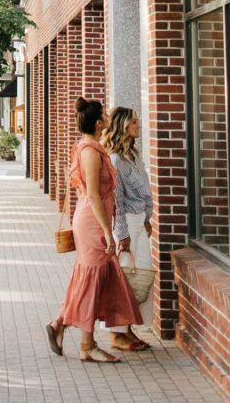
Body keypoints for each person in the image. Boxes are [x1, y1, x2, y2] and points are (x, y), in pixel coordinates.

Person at [45, 97, 142, 363]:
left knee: (91, 278)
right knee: (91, 278)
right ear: (99, 123)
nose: (109, 118)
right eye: (105, 115)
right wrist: (107, 231)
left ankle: (59, 324)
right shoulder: (89, 151)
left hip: (95, 219)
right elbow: (93, 195)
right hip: (92, 222)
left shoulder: (95, 147)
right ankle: (86, 345)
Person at [102, 106, 153, 352]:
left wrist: (147, 218)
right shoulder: (115, 160)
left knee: (139, 276)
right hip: (127, 225)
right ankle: (117, 334)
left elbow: (144, 189)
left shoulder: (133, 153)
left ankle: (128, 328)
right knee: (123, 278)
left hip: (140, 222)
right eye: (133, 121)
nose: (137, 125)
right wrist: (121, 234)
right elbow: (117, 202)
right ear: (122, 126)